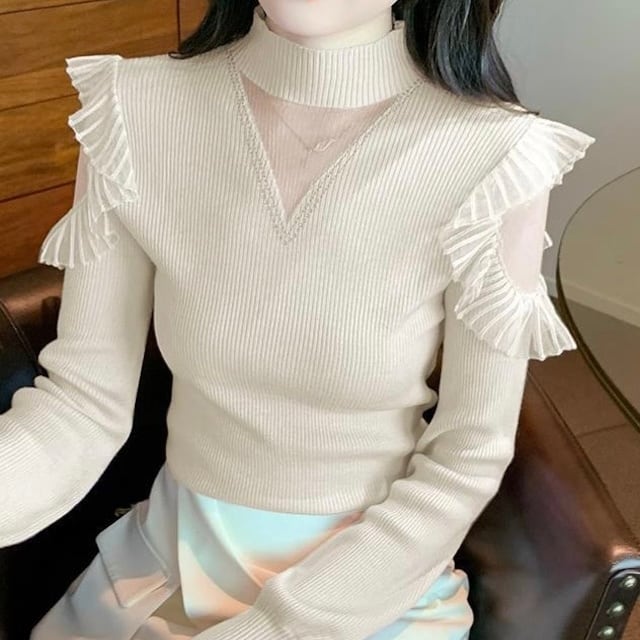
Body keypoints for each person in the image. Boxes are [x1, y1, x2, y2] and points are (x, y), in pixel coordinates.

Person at [1, 1, 596, 639]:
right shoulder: (135, 108)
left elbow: (467, 457)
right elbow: (82, 403)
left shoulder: (496, 155)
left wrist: (278, 628)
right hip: (165, 571)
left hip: (367, 595)